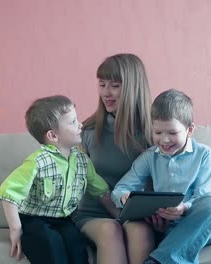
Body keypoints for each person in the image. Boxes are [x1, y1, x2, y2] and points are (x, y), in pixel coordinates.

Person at [112, 89, 211, 264]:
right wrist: (124, 197)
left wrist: (184, 208)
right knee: (174, 234)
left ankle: (159, 261)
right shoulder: (150, 157)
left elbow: (202, 196)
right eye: (158, 133)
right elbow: (120, 189)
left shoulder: (204, 154)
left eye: (172, 133)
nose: (164, 140)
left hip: (204, 225)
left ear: (190, 130)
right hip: (168, 228)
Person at [0, 95, 111, 264]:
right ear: (53, 135)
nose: (80, 125)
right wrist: (15, 228)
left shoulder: (82, 161)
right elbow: (8, 194)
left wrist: (121, 216)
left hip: (63, 220)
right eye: (73, 122)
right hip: (33, 219)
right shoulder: (37, 162)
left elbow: (101, 191)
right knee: (50, 243)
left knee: (77, 246)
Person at [72, 53, 155, 264]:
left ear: (133, 88)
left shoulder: (155, 133)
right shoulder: (88, 131)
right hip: (93, 214)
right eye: (102, 84)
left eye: (115, 85)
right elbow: (87, 181)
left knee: (140, 231)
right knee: (111, 229)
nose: (106, 93)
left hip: (135, 216)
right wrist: (117, 213)